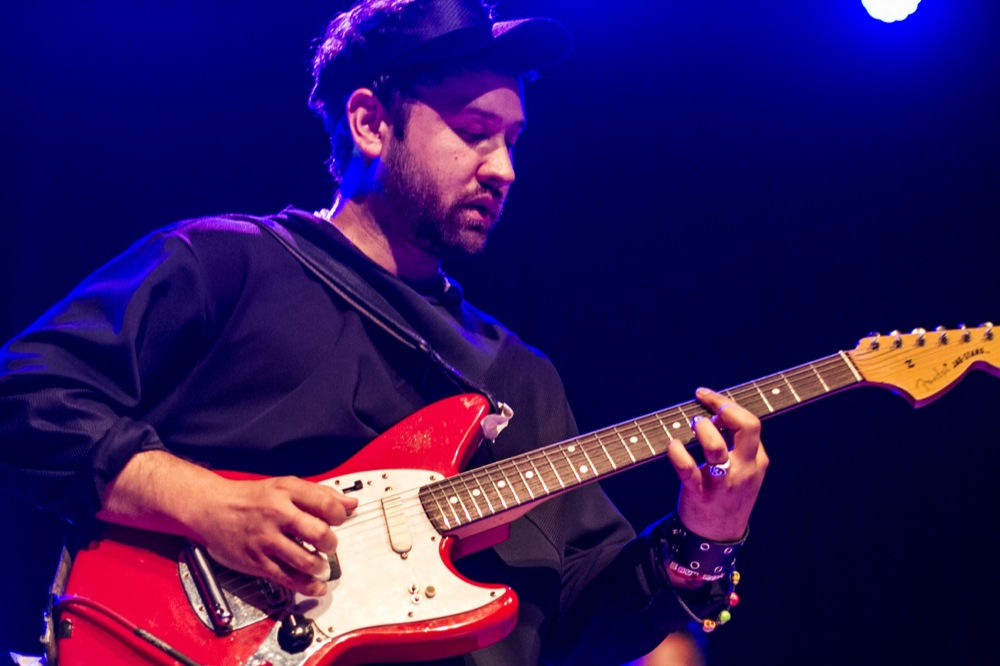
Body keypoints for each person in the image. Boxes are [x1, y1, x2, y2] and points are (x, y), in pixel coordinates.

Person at [0, 1, 767, 664]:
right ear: (370, 122)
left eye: (513, 140)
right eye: (474, 132)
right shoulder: (226, 265)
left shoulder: (520, 378)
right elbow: (26, 394)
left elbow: (573, 619)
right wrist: (202, 503)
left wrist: (707, 536)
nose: (505, 169)